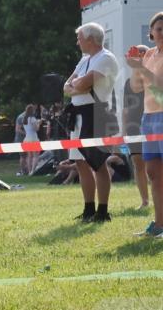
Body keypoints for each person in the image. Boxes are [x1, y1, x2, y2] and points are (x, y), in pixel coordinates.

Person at [64, 23, 119, 223]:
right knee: (80, 162)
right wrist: (77, 86)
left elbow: (82, 83)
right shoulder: (84, 59)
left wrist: (77, 85)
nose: (77, 42)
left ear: (90, 39)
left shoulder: (106, 58)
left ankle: (102, 211)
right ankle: (89, 209)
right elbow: (67, 86)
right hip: (78, 115)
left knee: (98, 163)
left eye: (79, 38)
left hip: (96, 115)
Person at [126, 13, 163, 238]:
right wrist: (135, 66)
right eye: (158, 29)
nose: (161, 33)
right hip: (149, 118)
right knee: (153, 173)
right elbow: (137, 87)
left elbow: (160, 87)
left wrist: (142, 69)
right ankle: (159, 224)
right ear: (150, 32)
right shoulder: (149, 54)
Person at [123, 45, 152, 210]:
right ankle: (145, 201)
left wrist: (138, 66)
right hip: (133, 126)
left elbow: (140, 87)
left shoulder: (151, 78)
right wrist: (123, 132)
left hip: (151, 124)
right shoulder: (128, 82)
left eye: (140, 54)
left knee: (155, 164)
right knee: (137, 162)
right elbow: (125, 109)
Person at [22, 104, 41, 175]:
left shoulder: (24, 119)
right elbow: (36, 129)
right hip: (33, 139)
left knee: (29, 156)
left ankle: (29, 171)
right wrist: (39, 123)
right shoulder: (32, 119)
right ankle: (33, 170)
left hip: (26, 139)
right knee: (36, 155)